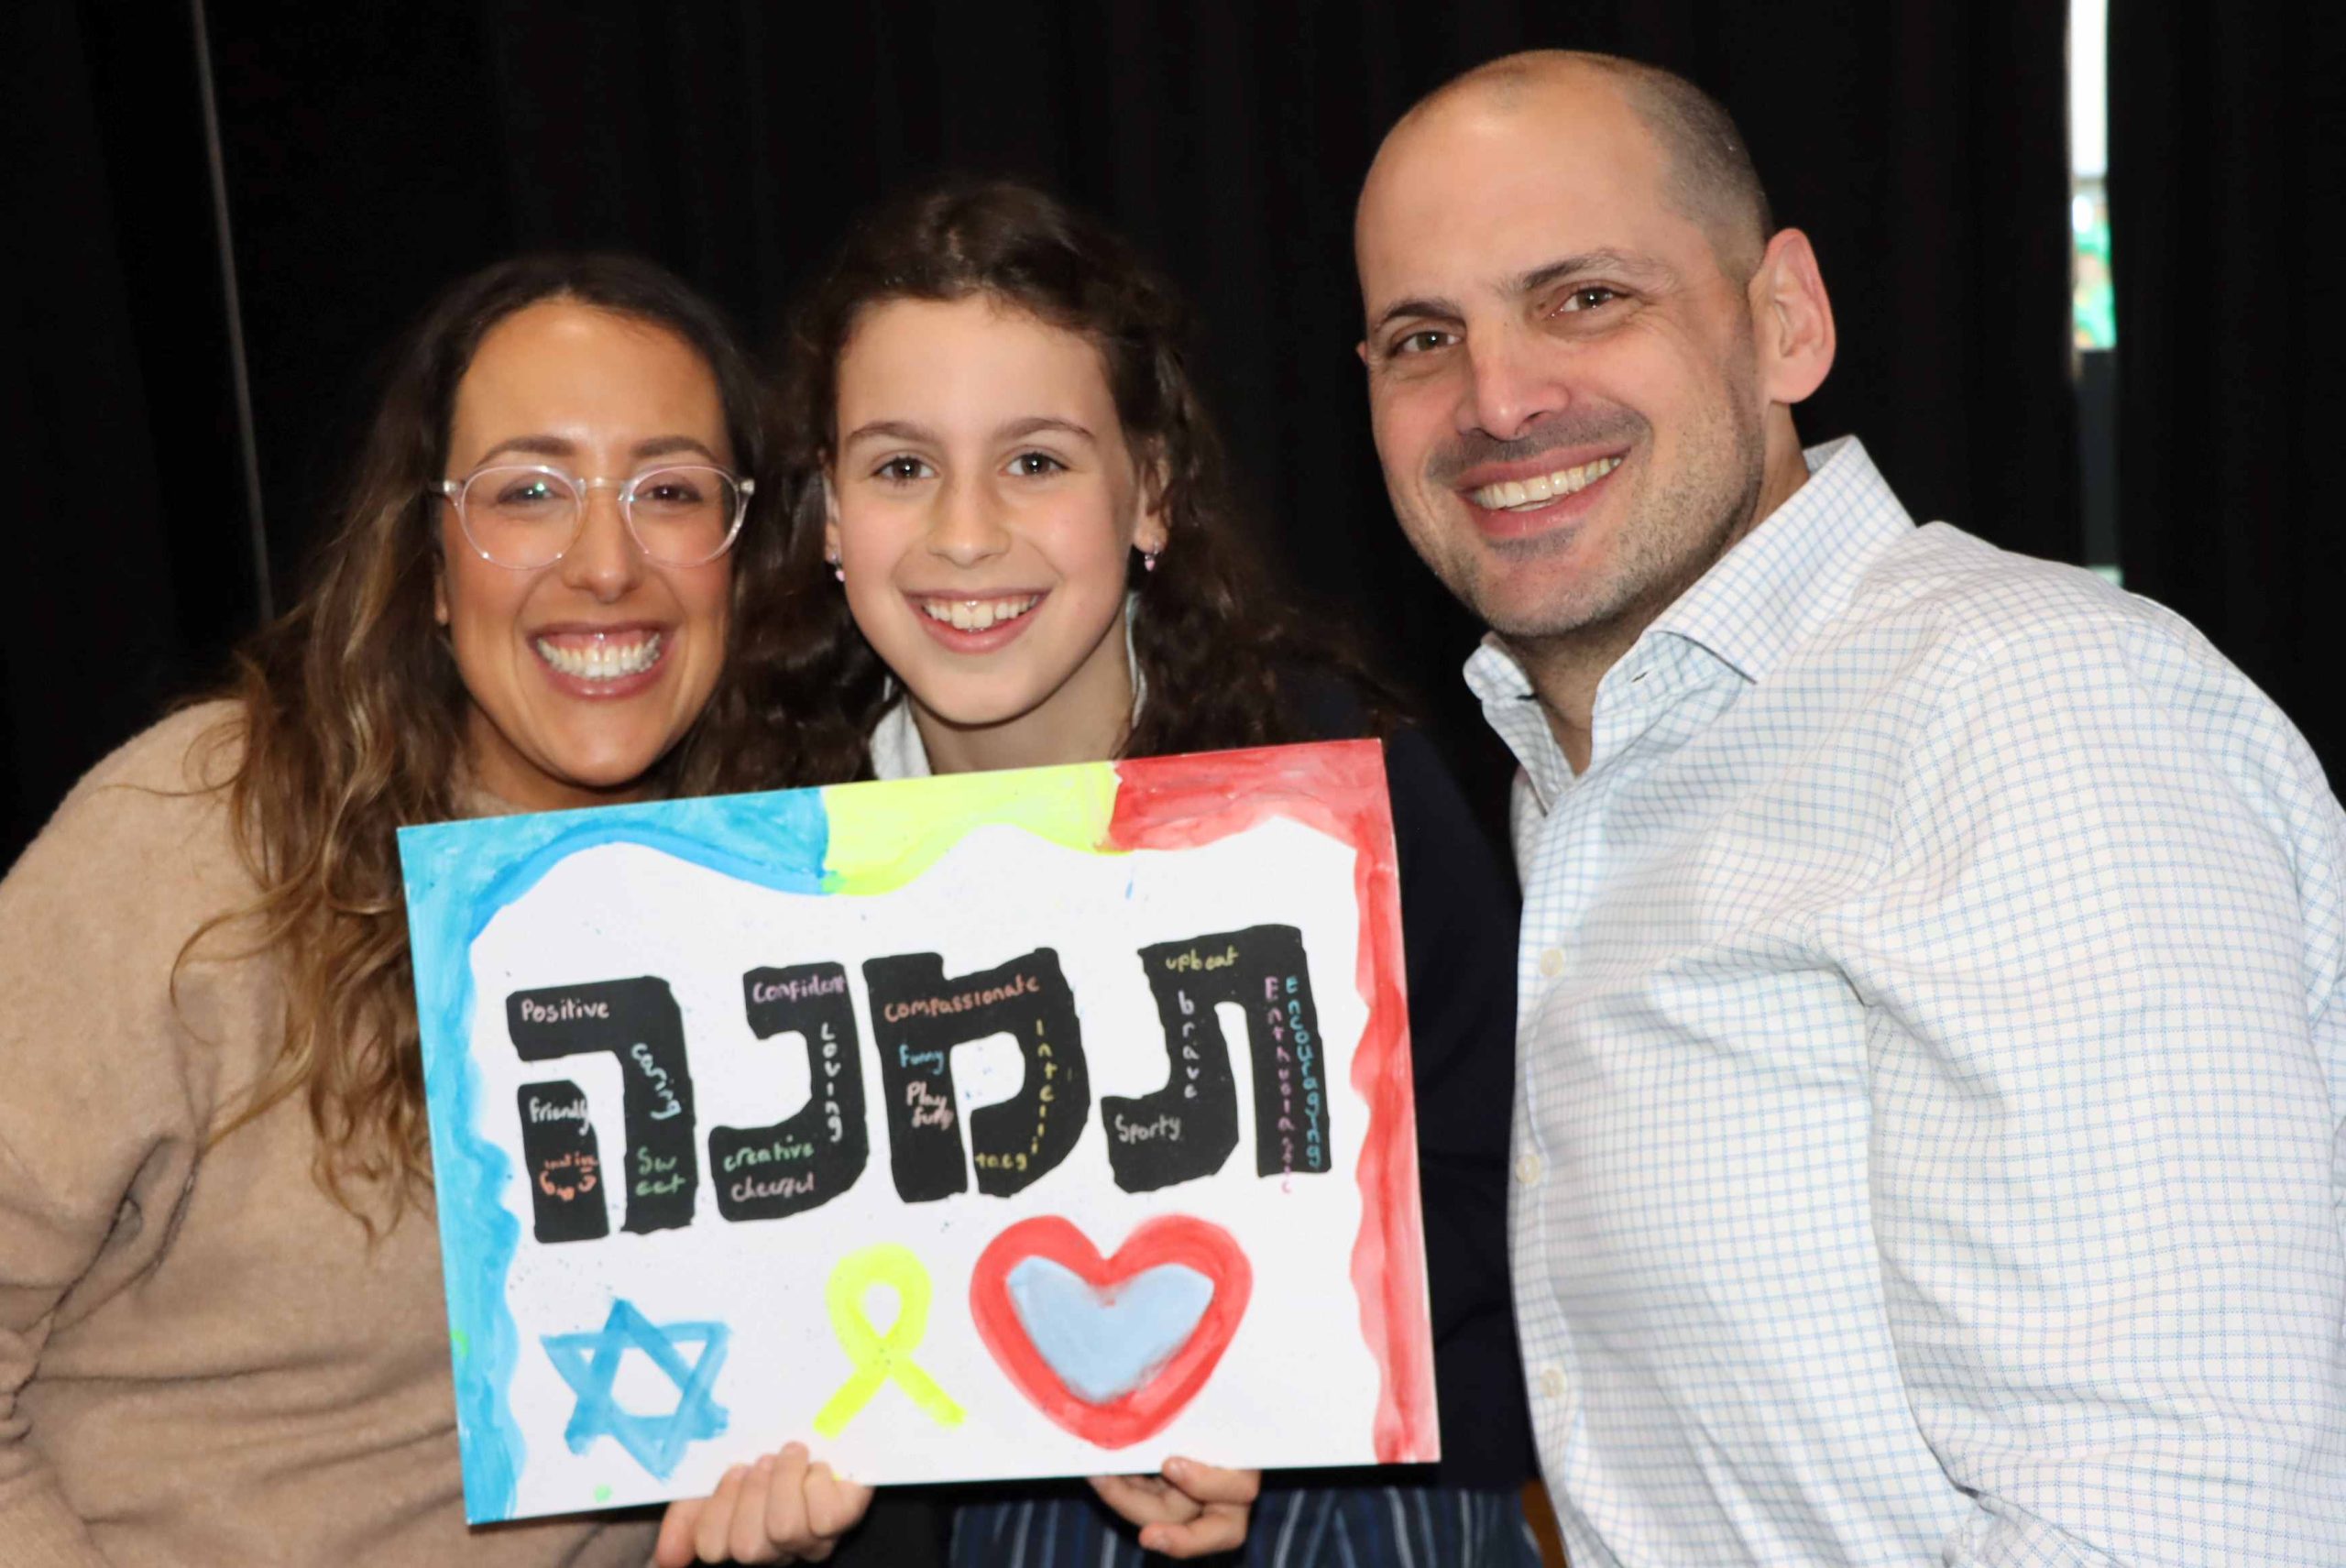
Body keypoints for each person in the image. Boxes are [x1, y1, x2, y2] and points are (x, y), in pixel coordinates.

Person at [1354, 47, 2346, 1566]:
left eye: (1586, 298)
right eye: (1424, 337)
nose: (1497, 398)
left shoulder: (2017, 713)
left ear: (1786, 321)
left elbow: (2175, 1517)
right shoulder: (1591, 775)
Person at [656, 179, 1541, 1567]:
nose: (963, 533)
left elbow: (1503, 1189)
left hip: (1345, 1493)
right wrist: (766, 1503)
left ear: (1153, 493)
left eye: (1036, 461)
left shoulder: (1337, 792)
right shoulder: (748, 859)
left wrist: (1252, 1385)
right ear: (826, 513)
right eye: (900, 468)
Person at [0, 254, 803, 1563]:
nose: (608, 565)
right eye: (529, 492)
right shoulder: (207, 832)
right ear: (429, 564)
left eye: (669, 492)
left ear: (740, 561)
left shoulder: (785, 907)